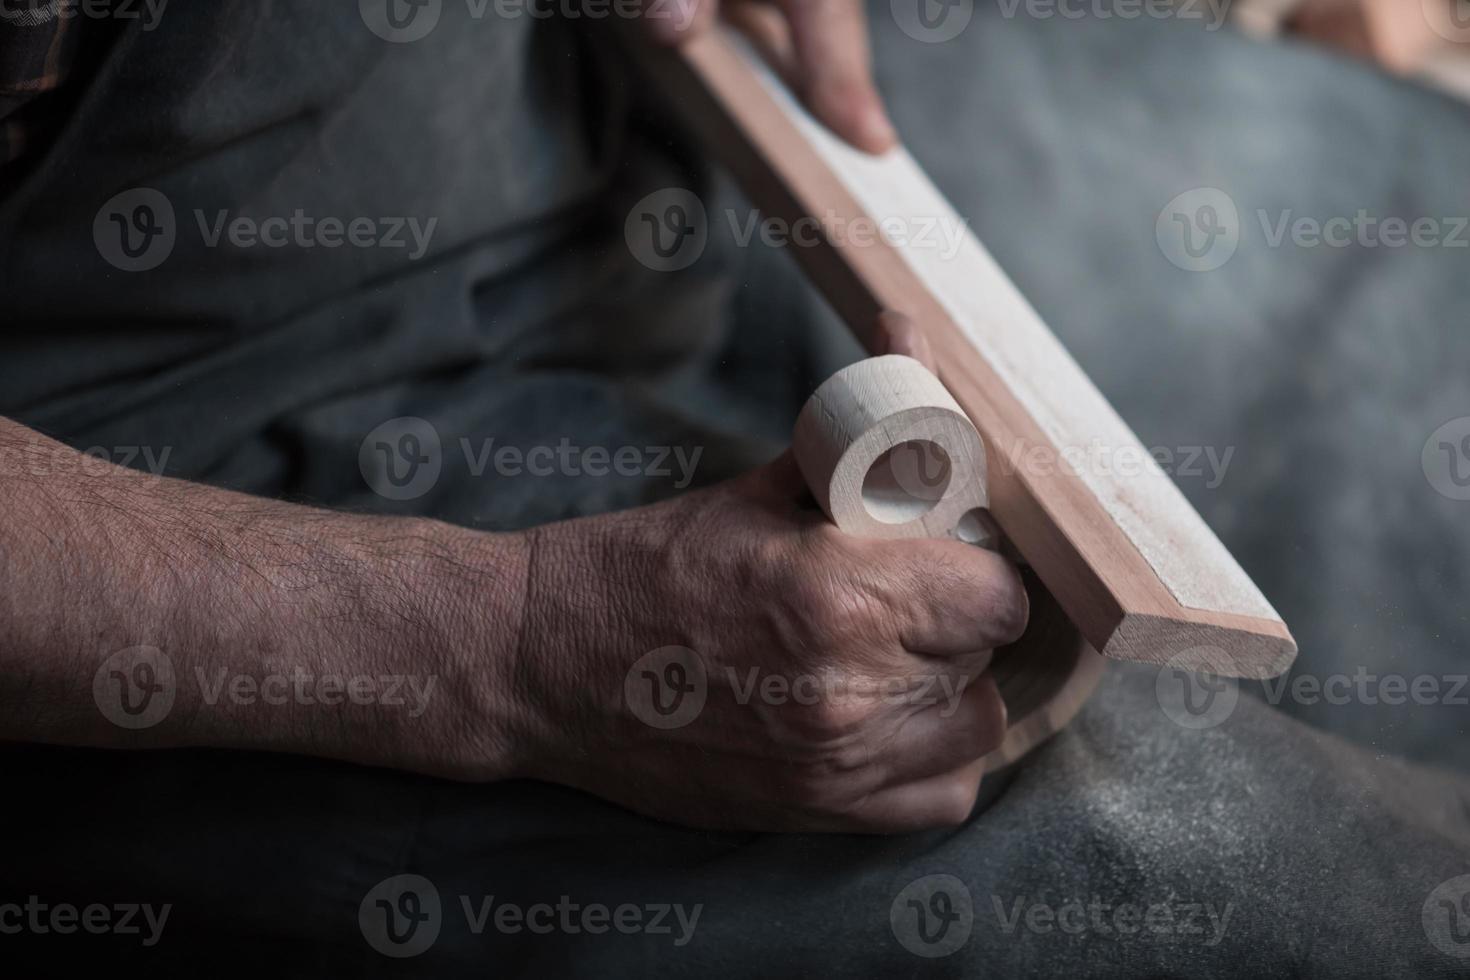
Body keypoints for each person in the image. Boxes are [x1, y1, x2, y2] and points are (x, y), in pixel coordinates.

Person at [1, 1, 1466, 975]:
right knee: (1277, 893)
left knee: (1413, 243)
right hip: (198, 498)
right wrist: (512, 644)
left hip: (637, 91)